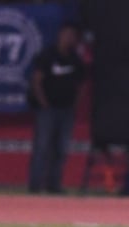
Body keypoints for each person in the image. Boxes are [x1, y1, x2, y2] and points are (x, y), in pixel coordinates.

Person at [28, 22, 85, 194]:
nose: (69, 38)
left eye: (72, 35)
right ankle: (35, 185)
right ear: (60, 34)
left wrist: (76, 103)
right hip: (48, 109)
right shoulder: (47, 55)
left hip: (66, 109)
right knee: (42, 146)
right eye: (67, 34)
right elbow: (36, 80)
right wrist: (43, 102)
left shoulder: (75, 59)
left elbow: (81, 84)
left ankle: (54, 184)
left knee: (61, 148)